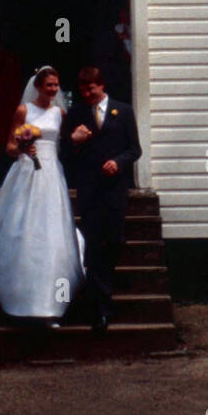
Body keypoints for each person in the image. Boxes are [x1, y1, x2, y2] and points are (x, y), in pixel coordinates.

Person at [0, 66, 85, 322]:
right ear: (38, 86)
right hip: (27, 171)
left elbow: (66, 142)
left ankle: (52, 300)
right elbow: (9, 146)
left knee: (51, 226)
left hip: (51, 172)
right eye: (49, 85)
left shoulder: (60, 113)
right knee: (25, 224)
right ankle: (19, 293)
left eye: (56, 85)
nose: (54, 90)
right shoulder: (24, 110)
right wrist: (22, 148)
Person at [63, 65, 142, 334]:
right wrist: (74, 141)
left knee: (114, 240)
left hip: (115, 189)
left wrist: (119, 163)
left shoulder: (124, 111)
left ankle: (106, 290)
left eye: (91, 88)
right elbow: (65, 151)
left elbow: (135, 149)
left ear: (101, 85)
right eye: (83, 89)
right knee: (94, 244)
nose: (86, 93)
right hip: (89, 189)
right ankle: (100, 308)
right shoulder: (76, 113)